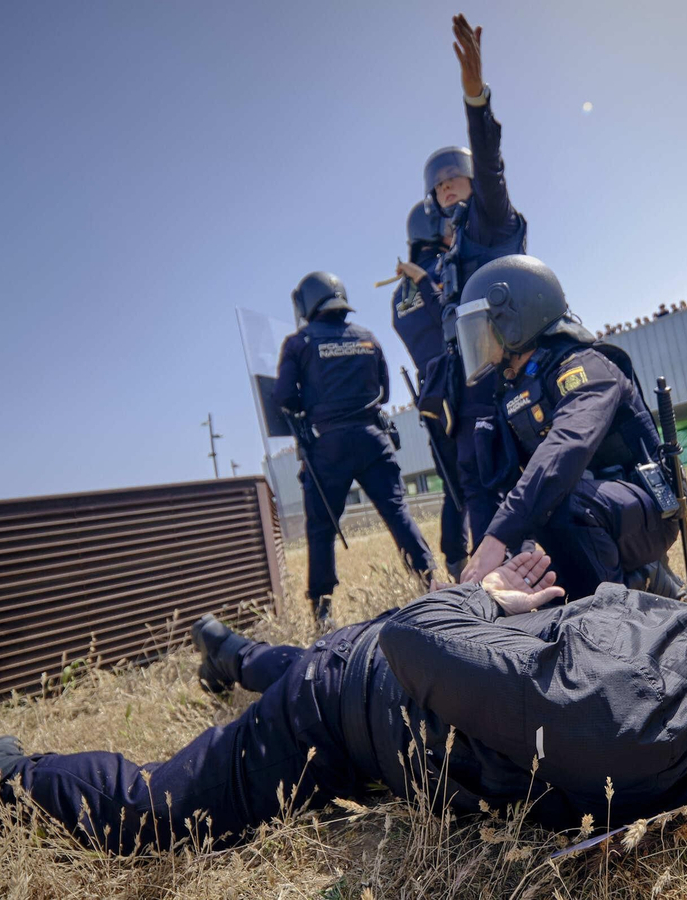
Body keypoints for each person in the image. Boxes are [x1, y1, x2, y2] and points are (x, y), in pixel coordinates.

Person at [0, 551, 687, 862]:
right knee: (158, 816)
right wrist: (477, 600)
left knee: (317, 662)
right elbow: (420, 643)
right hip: (352, 712)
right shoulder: (623, 717)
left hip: (405, 695)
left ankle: (232, 653)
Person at [452, 255, 684, 600]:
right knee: (534, 552)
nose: (478, 342)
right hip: (592, 511)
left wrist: (498, 537)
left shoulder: (587, 367)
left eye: (482, 328)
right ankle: (593, 597)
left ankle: (633, 592)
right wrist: (502, 559)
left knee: (559, 501)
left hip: (647, 514)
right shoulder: (512, 392)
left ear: (514, 317)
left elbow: (566, 448)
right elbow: (504, 486)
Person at [412, 14, 529, 554]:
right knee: (474, 483)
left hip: (510, 370)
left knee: (523, 480)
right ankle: (487, 586)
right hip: (469, 382)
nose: (444, 188)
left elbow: (490, 166)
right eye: (437, 186)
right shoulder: (451, 252)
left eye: (452, 178)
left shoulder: (490, 219)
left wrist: (476, 100)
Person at [277, 271, 435, 627]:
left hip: (328, 446)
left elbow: (284, 397)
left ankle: (322, 611)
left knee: (321, 528)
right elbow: (385, 393)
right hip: (372, 438)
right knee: (397, 513)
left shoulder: (299, 343)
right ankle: (430, 581)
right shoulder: (368, 337)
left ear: (306, 304)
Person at [391, 202, 473, 579]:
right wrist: (427, 281)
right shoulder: (445, 268)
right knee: (486, 474)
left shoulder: (398, 293)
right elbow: (450, 317)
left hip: (432, 393)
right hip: (465, 380)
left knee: (455, 484)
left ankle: (456, 560)